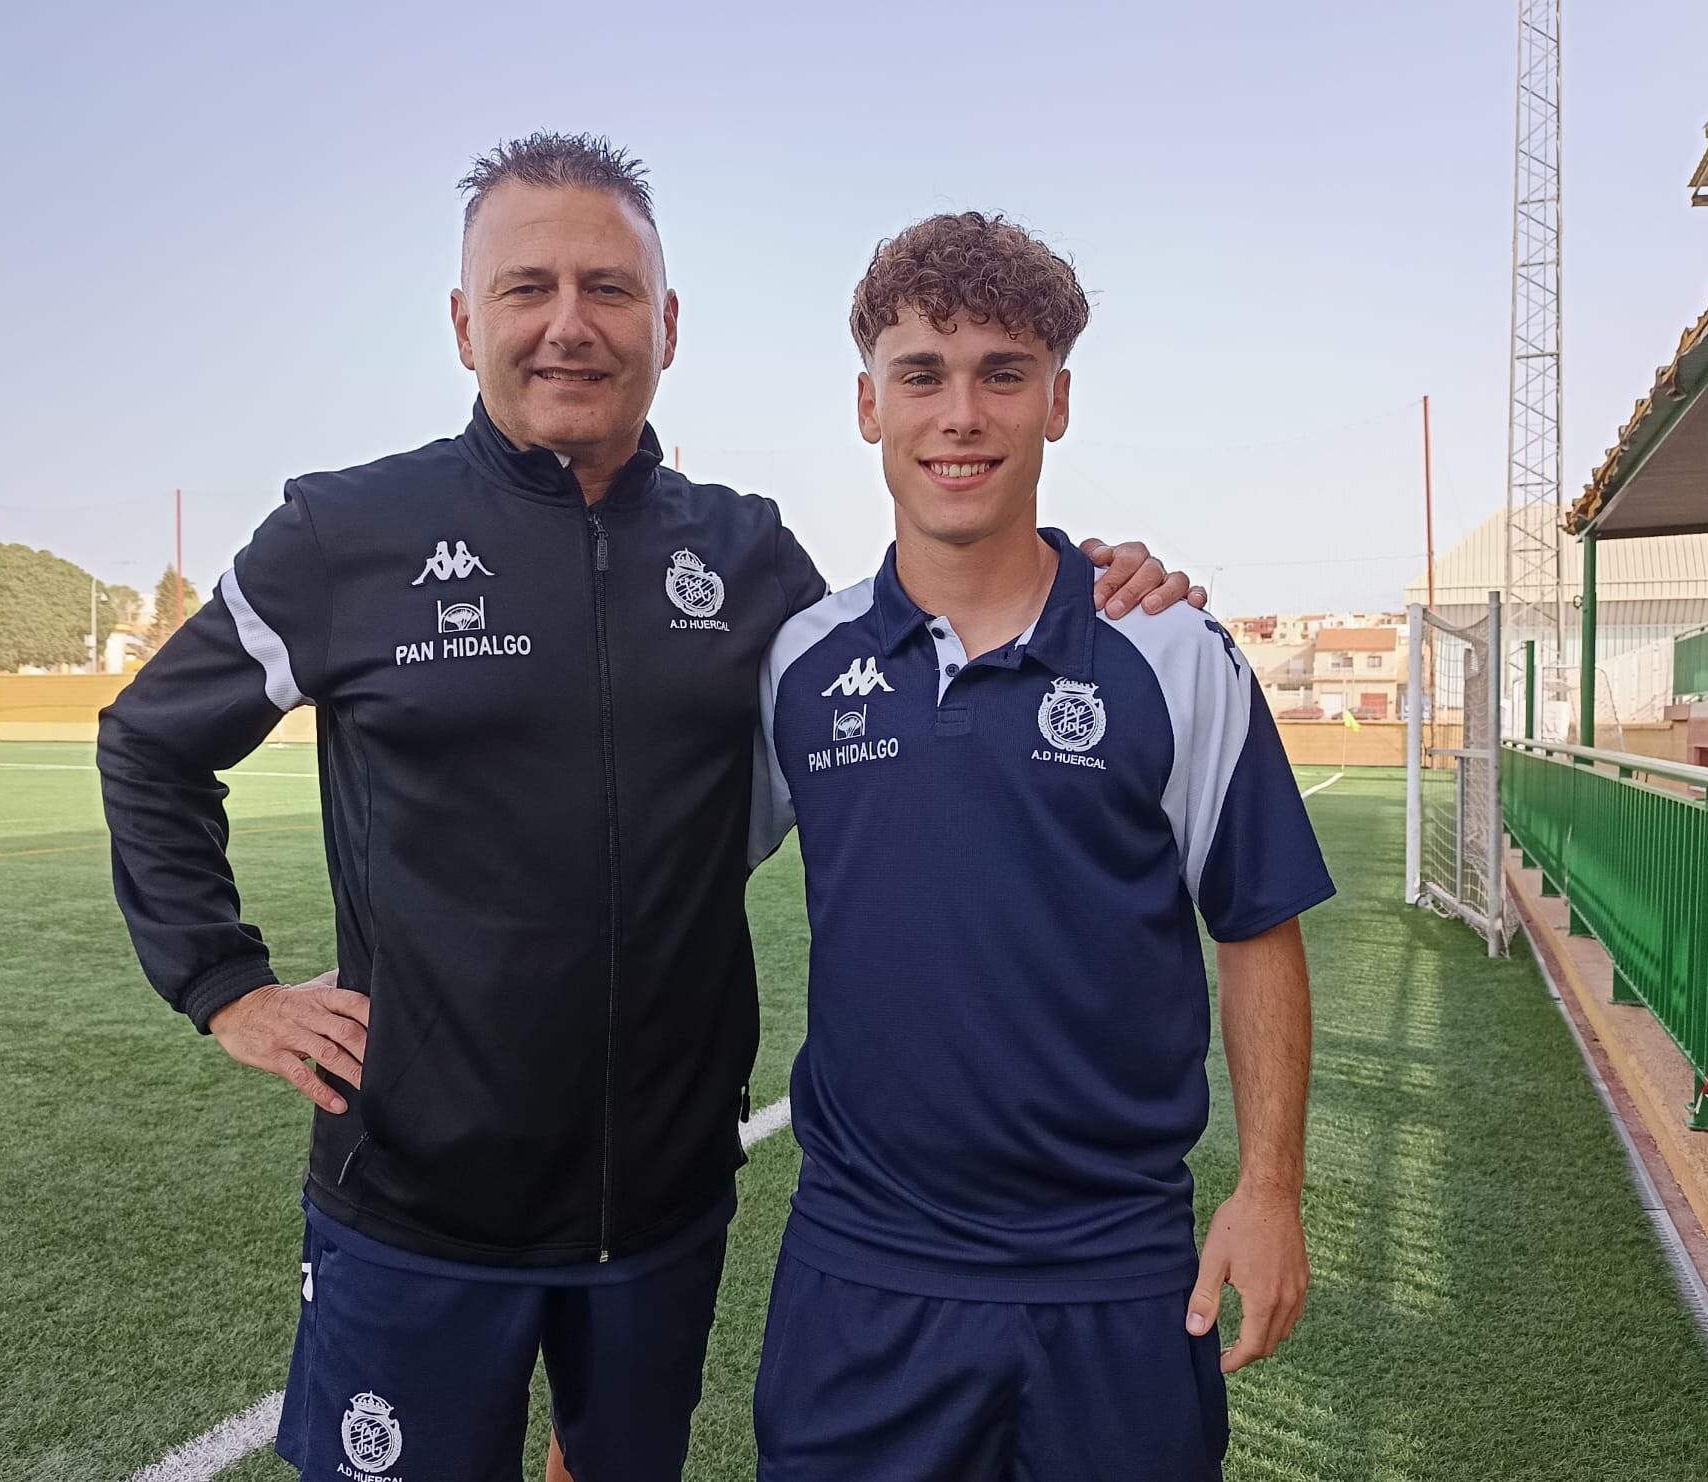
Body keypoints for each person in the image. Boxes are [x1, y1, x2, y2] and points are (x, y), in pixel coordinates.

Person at [97, 135, 1201, 1482]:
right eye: (528, 288)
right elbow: (151, 744)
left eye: (610, 289)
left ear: (667, 325)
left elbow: (927, 629)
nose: (570, 323)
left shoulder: (747, 556)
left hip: (663, 1212)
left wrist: (1092, 576)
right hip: (415, 1204)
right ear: (464, 323)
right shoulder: (347, 537)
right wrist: (226, 983)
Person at [749, 212, 1335, 1480]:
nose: (959, 414)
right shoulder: (799, 664)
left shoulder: (1174, 654)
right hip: (864, 1269)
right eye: (921, 376)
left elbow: (1253, 929)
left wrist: (1269, 1190)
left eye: (1000, 374)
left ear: (1054, 401)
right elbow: (668, 880)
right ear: (868, 405)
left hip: (1115, 1278)